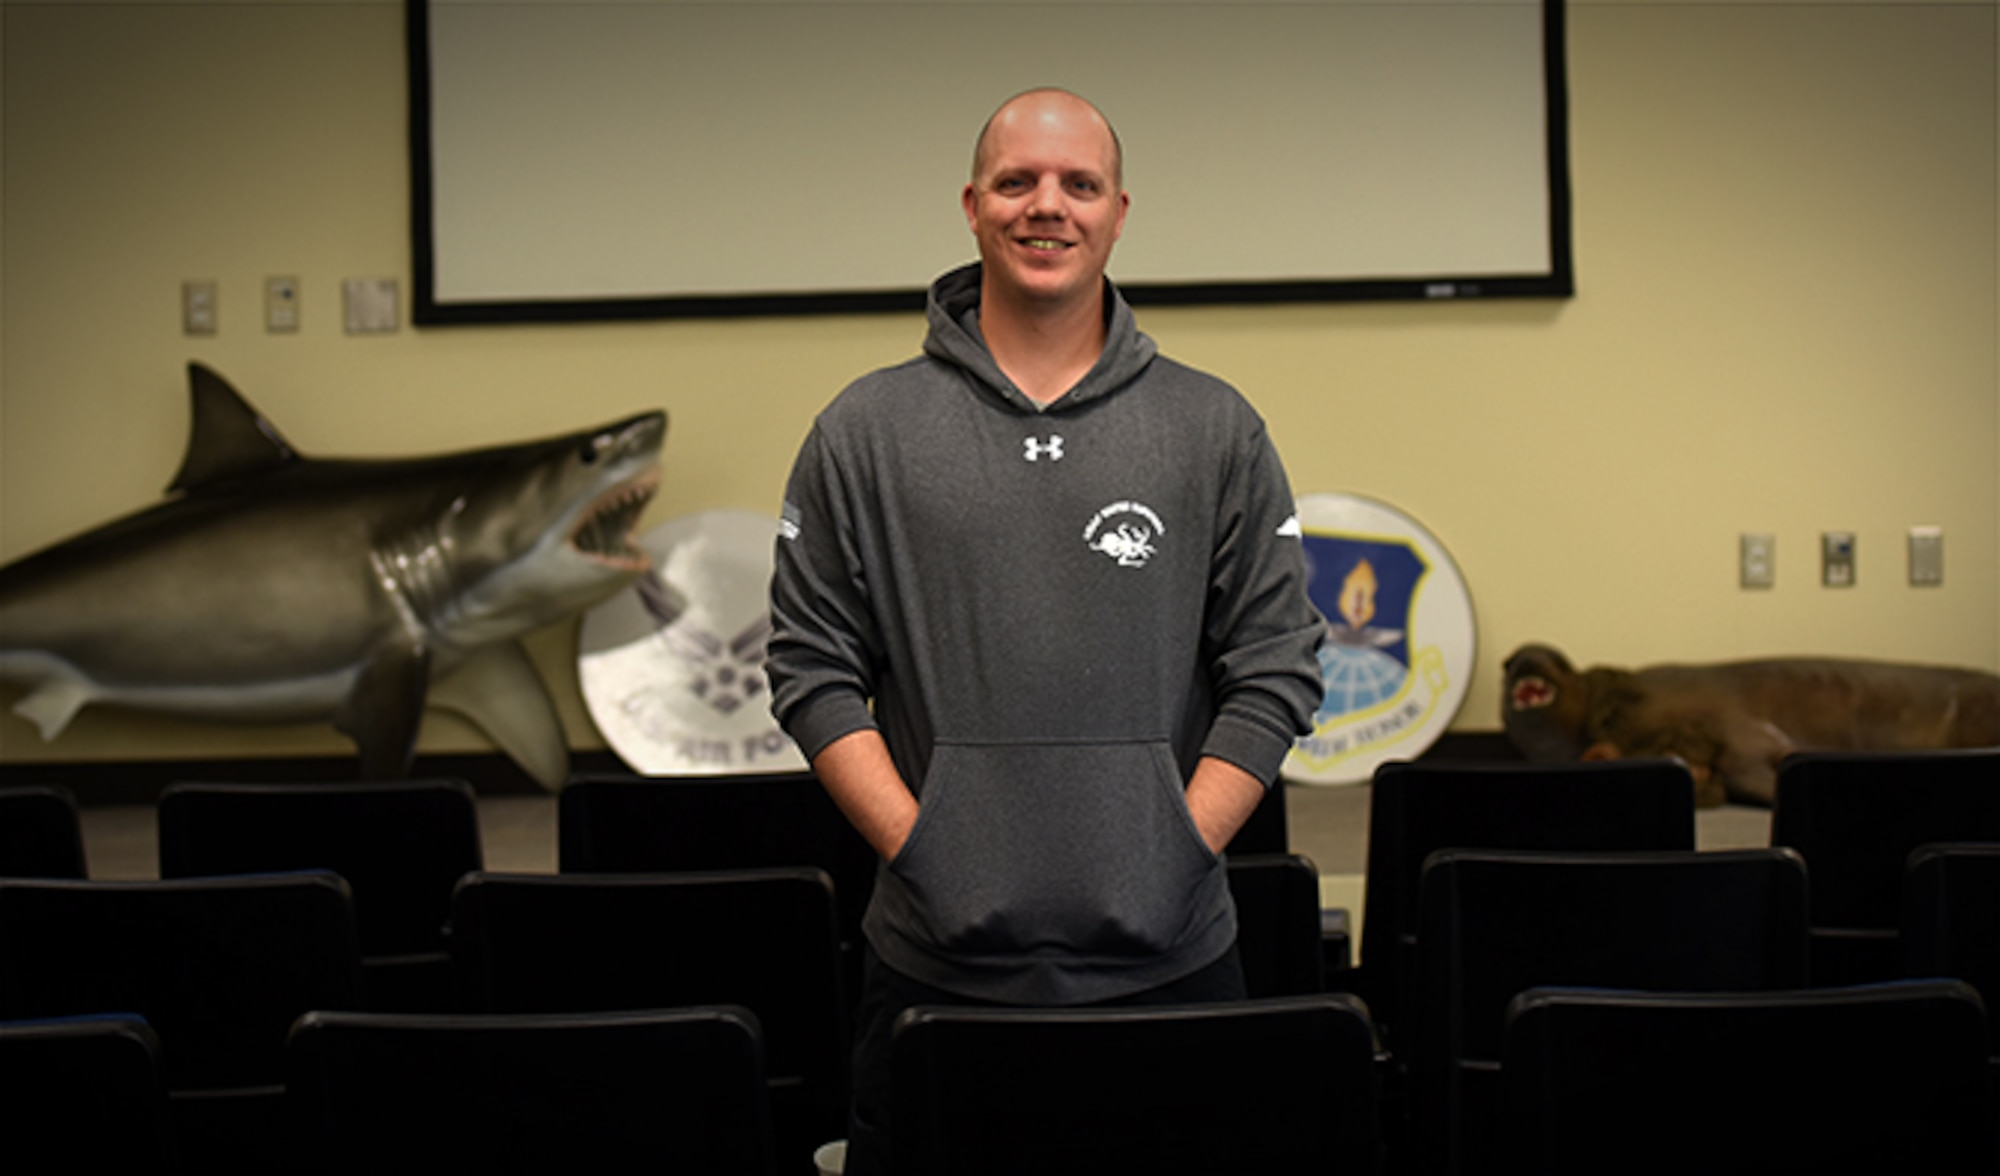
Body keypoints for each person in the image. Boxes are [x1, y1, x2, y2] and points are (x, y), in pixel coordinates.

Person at [765, 88, 1326, 1174]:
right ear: (972, 207)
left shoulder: (1212, 426)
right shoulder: (863, 429)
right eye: (1017, 182)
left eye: (1078, 184)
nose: (1046, 206)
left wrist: (1170, 845)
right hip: (933, 966)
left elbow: (1275, 668)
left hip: (1172, 964)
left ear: (1118, 213)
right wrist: (924, 848)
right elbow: (810, 666)